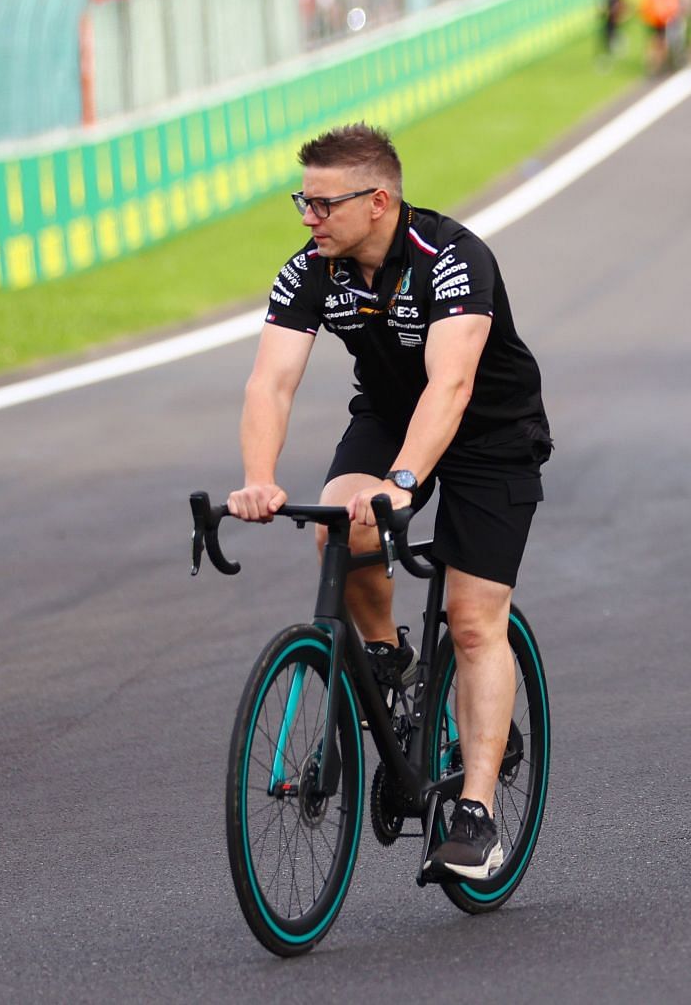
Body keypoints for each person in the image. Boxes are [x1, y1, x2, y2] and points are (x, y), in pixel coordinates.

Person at [227, 124, 553, 881]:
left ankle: (476, 812)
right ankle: (387, 651)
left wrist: (403, 484)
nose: (307, 219)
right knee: (338, 525)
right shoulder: (313, 268)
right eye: (300, 202)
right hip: (388, 415)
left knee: (473, 621)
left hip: (489, 432)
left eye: (320, 204)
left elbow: (452, 385)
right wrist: (258, 476)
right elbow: (270, 382)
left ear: (378, 202)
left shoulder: (453, 259)